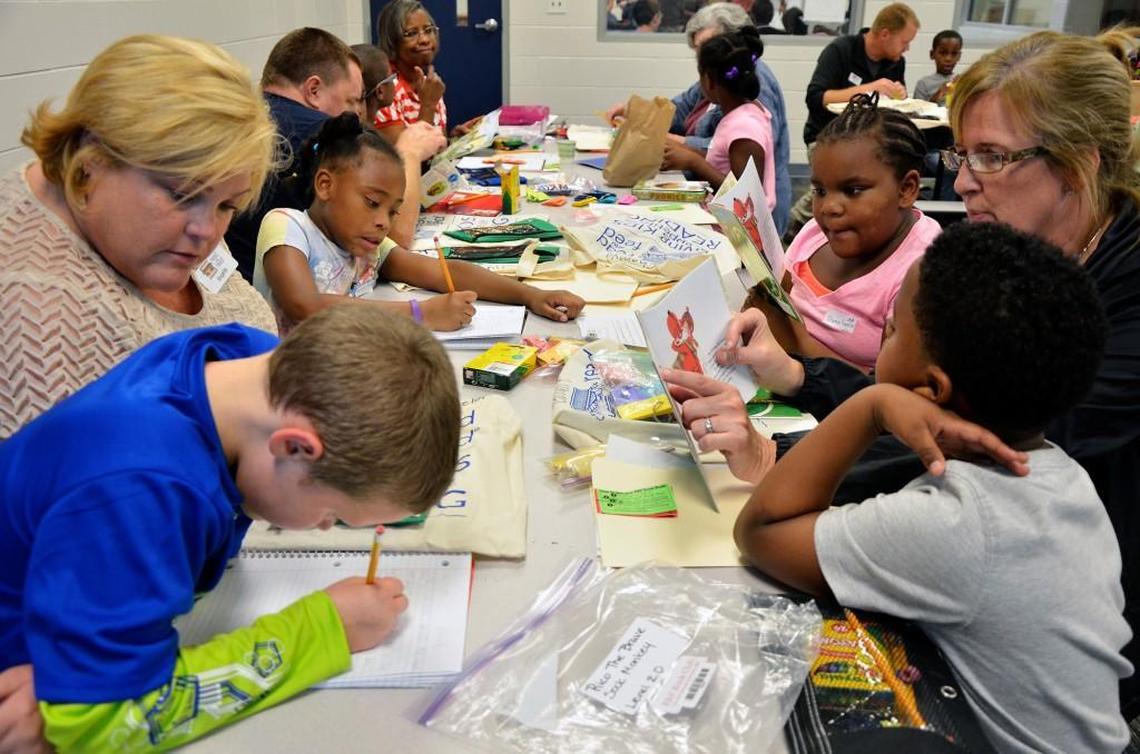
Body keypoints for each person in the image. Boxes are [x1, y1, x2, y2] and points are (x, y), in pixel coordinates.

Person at [666, 26, 1140, 720]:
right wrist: (800, 378)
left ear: (1078, 167)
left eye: (993, 156)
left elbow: (964, 438)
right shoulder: (1022, 255)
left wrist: (782, 462)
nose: (965, 179)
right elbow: (922, 408)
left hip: (1054, 653)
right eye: (962, 151)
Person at [734, 222, 1130, 752]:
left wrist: (870, 406)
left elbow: (761, 529)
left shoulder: (959, 521)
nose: (881, 338)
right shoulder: (1061, 473)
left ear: (932, 388)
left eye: (893, 330)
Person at [0, 305, 459, 750]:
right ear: (295, 448)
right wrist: (328, 628)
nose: (324, 529)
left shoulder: (246, 362)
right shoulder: (142, 488)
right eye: (332, 516)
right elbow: (105, 718)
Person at [0, 34, 277, 441]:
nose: (207, 233)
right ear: (90, 166)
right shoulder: (43, 325)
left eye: (227, 206)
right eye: (182, 195)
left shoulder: (146, 227)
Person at [255, 113, 586, 334]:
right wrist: (420, 314)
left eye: (393, 211)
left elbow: (447, 273)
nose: (383, 222)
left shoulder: (365, 244)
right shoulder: (288, 226)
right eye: (372, 203)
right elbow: (305, 306)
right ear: (325, 185)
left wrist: (530, 295)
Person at [753, 93, 939, 370]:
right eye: (819, 190)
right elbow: (780, 295)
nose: (829, 207)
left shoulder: (920, 270)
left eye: (853, 190)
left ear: (906, 189)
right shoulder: (815, 234)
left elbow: (890, 389)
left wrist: (795, 340)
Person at [606, 2, 793, 233]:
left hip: (746, 232)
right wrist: (637, 115)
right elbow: (680, 107)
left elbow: (745, 197)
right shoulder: (730, 89)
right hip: (726, 217)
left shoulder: (746, 109)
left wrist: (690, 155)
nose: (700, 58)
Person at [224, 27, 365, 281]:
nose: (357, 113)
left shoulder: (235, 124)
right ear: (313, 90)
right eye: (351, 101)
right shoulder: (325, 133)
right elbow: (387, 236)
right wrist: (410, 152)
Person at [787, 2, 919, 239]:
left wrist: (900, 94)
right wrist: (871, 89)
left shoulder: (896, 62)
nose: (907, 48)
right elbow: (817, 97)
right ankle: (796, 226)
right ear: (885, 34)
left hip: (870, 142)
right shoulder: (841, 50)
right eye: (904, 41)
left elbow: (893, 107)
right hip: (827, 137)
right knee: (839, 185)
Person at [661, 27, 777, 201]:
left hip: (735, 228)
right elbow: (723, 159)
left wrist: (695, 162)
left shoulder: (744, 127)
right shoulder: (738, 115)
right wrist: (684, 151)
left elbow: (745, 198)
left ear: (708, 81)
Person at [350, 41, 447, 250]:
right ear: (381, 92)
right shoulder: (369, 144)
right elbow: (398, 236)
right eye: (392, 78)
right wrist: (411, 151)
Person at [374, 0, 448, 140]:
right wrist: (428, 105)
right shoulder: (385, 88)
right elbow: (403, 157)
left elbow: (436, 149)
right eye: (411, 33)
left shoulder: (428, 84)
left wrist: (456, 141)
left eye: (428, 30)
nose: (424, 39)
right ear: (392, 41)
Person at [914, 29, 962, 105]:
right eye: (943, 53)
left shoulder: (962, 82)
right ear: (932, 54)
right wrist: (938, 95)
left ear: (959, 56)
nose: (948, 58)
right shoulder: (923, 84)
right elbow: (916, 112)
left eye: (954, 54)